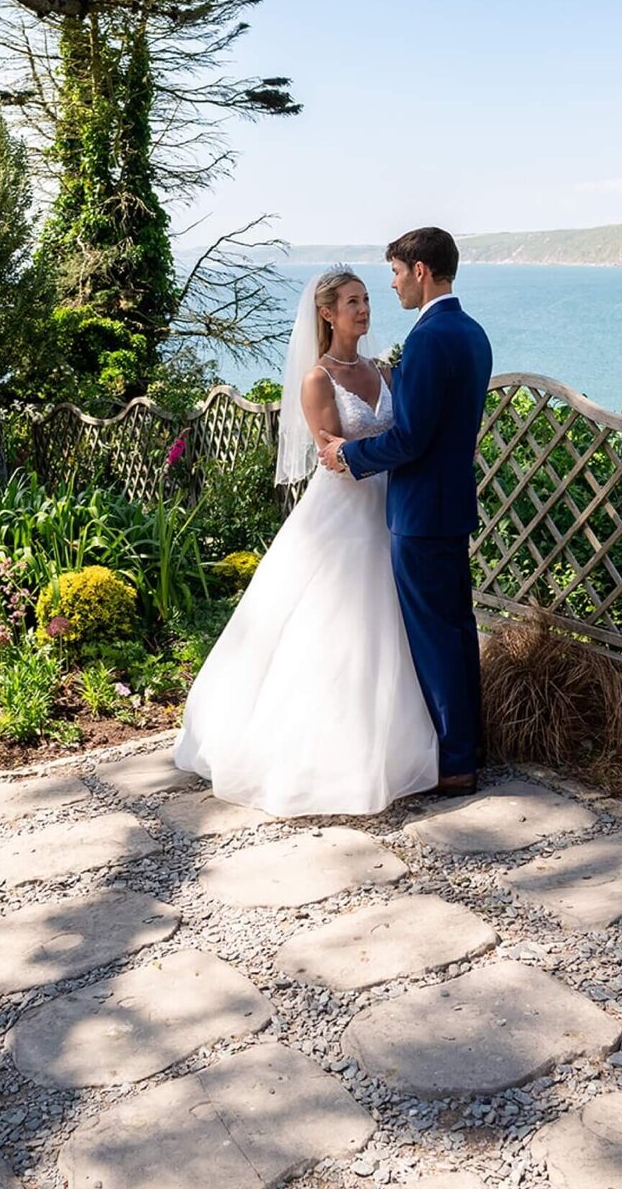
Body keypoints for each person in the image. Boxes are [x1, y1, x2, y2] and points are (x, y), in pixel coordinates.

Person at [172, 264, 440, 816]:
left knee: (390, 623)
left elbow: (400, 437)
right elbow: (331, 456)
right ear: (326, 313)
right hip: (342, 514)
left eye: (366, 299)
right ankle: (328, 753)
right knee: (336, 622)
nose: (364, 309)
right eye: (351, 302)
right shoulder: (318, 379)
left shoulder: (383, 370)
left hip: (390, 507)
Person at [318, 227, 493, 795]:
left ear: (421, 270)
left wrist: (350, 454)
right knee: (458, 628)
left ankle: (456, 763)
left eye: (395, 273)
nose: (390, 286)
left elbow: (411, 439)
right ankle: (473, 746)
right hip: (453, 504)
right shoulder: (473, 333)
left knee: (433, 635)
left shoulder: (427, 339)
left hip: (419, 511)